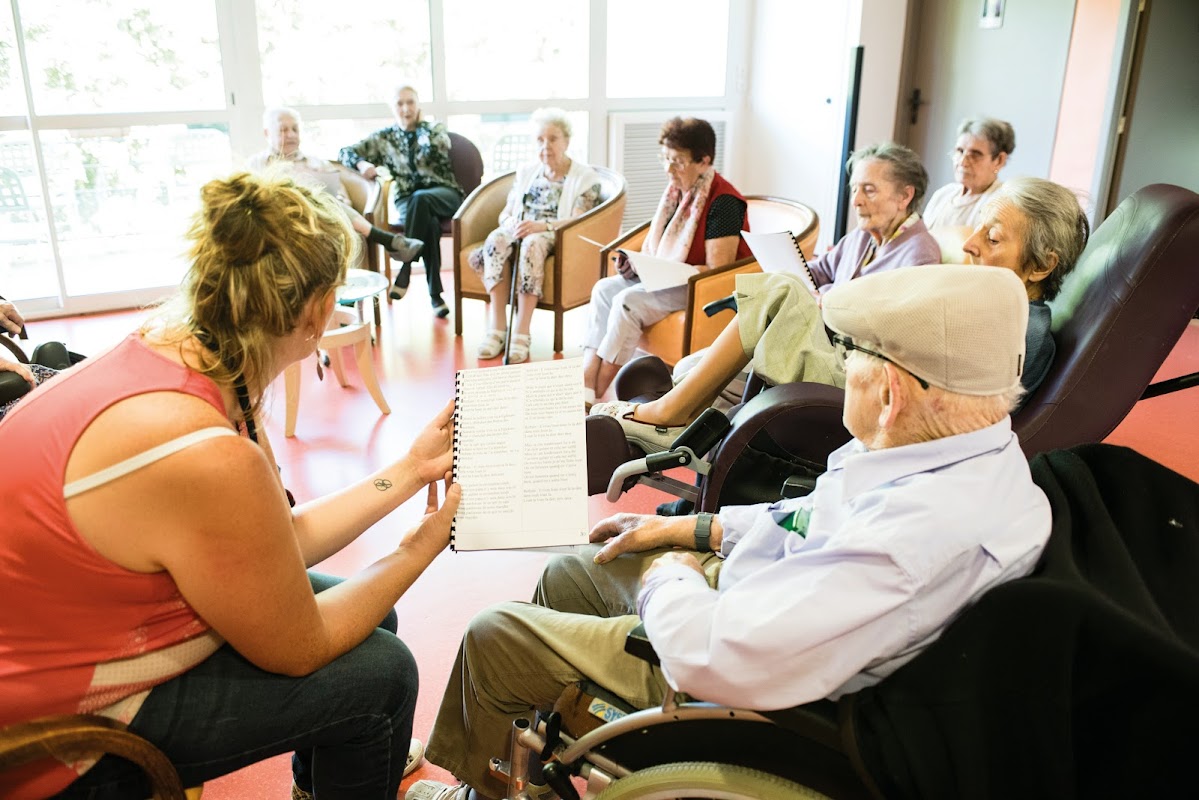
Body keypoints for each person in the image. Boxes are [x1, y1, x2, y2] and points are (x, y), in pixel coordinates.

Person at [408, 264, 1051, 800]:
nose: (844, 363)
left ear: (890, 393)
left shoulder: (914, 536)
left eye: (853, 355)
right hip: (769, 601)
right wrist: (695, 530)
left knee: (496, 637)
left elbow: (713, 653)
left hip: (739, 679)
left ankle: (495, 786)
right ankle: (523, 763)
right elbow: (806, 518)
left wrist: (669, 576)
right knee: (575, 569)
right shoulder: (954, 453)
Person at [0, 171, 460, 800]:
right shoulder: (207, 451)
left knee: (378, 614)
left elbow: (284, 537)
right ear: (321, 309)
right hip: (53, 730)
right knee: (385, 675)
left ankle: (333, 776)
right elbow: (303, 647)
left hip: (60, 641)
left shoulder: (179, 353)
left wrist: (410, 470)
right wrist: (423, 544)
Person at [591, 141, 941, 451]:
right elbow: (817, 275)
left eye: (870, 190)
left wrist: (827, 300)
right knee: (689, 366)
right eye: (854, 189)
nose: (857, 201)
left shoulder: (919, 254)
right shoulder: (861, 239)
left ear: (905, 196)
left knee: (780, 289)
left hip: (847, 361)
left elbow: (893, 331)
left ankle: (666, 412)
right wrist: (795, 269)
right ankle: (675, 424)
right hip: (814, 339)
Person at [581, 117, 752, 405]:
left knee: (628, 302)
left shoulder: (724, 202)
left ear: (704, 161)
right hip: (668, 279)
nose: (668, 169)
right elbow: (660, 249)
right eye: (666, 159)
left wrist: (665, 271)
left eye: (678, 161)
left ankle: (592, 393)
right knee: (603, 290)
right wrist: (636, 265)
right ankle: (587, 379)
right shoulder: (677, 193)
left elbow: (718, 270)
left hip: (701, 287)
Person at [467, 108, 602, 363]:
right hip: (522, 227)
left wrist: (542, 226)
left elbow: (579, 220)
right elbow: (505, 213)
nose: (546, 145)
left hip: (554, 233)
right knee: (495, 240)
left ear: (567, 141)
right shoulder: (527, 172)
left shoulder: (584, 177)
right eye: (540, 139)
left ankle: (522, 330)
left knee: (531, 245)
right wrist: (510, 222)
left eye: (553, 139)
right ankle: (497, 327)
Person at [340, 85, 464, 318]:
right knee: (429, 225)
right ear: (392, 108)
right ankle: (435, 295)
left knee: (422, 199)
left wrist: (416, 131)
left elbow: (440, 145)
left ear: (418, 106)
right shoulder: (383, 138)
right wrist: (362, 164)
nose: (406, 108)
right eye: (400, 103)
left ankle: (405, 267)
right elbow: (346, 152)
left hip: (444, 193)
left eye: (410, 102)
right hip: (409, 201)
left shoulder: (432, 129)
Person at [249, 105, 425, 263]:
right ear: (267, 133)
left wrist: (330, 201)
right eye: (283, 130)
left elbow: (343, 200)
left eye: (295, 129)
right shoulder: (256, 166)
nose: (291, 135)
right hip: (279, 224)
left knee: (328, 203)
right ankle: (388, 240)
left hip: (318, 222)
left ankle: (346, 292)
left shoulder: (318, 164)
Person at [923, 118, 1015, 231]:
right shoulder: (943, 194)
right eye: (960, 151)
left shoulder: (1001, 205)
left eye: (975, 155)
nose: (962, 162)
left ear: (999, 160)